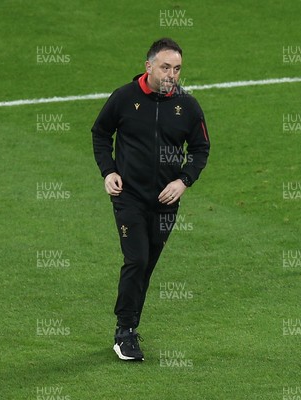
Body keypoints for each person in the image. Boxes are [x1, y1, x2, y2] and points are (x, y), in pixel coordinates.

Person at [91, 38, 210, 361]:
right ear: (148, 66)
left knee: (147, 266)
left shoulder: (187, 106)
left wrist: (183, 181)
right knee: (137, 260)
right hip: (128, 196)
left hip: (166, 202)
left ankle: (129, 327)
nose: (172, 74)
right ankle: (124, 332)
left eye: (177, 68)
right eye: (166, 67)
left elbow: (201, 149)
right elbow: (101, 133)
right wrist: (108, 171)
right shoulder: (124, 98)